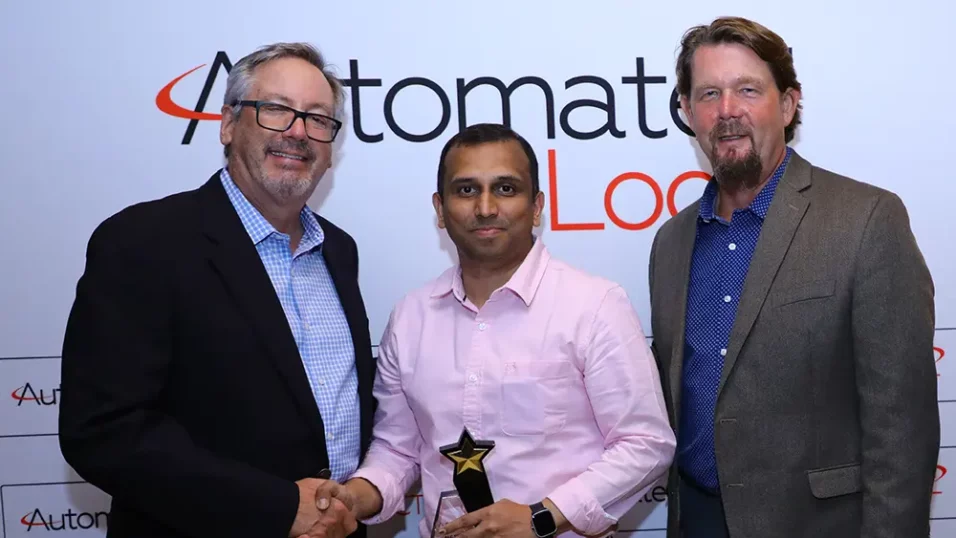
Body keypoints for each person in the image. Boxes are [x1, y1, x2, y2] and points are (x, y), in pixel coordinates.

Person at [58, 42, 374, 538]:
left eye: (317, 118)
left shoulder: (338, 250)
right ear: (227, 124)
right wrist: (278, 507)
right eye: (276, 109)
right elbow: (104, 431)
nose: (297, 132)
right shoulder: (142, 242)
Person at [307, 123, 675, 538]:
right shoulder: (410, 317)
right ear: (440, 209)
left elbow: (646, 444)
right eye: (466, 190)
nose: (485, 208)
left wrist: (541, 516)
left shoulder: (594, 306)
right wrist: (355, 497)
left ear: (536, 206)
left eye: (505, 188)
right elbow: (398, 449)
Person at [647, 16, 939, 538]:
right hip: (696, 520)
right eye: (709, 93)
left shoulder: (866, 220)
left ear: (787, 105)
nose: (727, 110)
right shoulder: (671, 242)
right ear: (688, 112)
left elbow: (902, 427)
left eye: (747, 90)